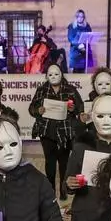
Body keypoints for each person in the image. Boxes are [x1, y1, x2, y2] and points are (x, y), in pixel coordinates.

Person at [67, 94, 111, 221]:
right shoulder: (80, 146)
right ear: (93, 117)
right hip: (86, 213)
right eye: (100, 116)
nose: (106, 122)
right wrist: (70, 184)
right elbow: (68, 183)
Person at [30, 65, 85, 201]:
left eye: (56, 74)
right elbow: (32, 108)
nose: (53, 77)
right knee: (50, 163)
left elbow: (80, 108)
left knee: (64, 163)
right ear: (46, 76)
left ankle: (63, 191)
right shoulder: (41, 90)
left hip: (64, 132)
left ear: (61, 74)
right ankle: (51, 192)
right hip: (46, 131)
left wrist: (73, 109)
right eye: (50, 74)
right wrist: (38, 110)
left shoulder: (70, 90)